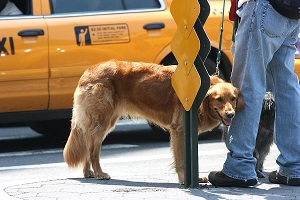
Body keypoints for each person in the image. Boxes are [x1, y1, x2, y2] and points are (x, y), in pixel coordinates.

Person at [208, 0, 300, 187]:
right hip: (291, 11)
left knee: (247, 86)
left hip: (264, 8)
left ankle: (239, 166)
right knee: (286, 87)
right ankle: (294, 167)